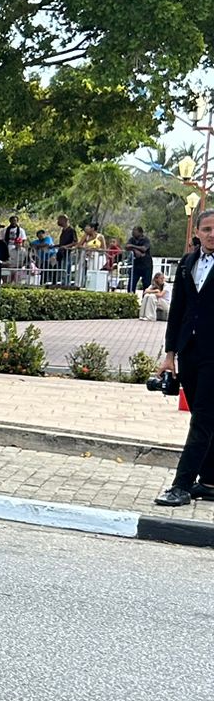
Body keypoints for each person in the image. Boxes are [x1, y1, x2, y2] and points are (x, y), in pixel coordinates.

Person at [155, 209, 214, 508]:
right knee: (204, 417)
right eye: (207, 229)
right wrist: (170, 354)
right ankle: (209, 480)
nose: (212, 234)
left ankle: (181, 485)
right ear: (198, 232)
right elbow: (177, 310)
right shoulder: (187, 263)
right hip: (189, 351)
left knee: (203, 418)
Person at [126, 226, 153, 293]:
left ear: (140, 232)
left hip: (146, 265)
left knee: (146, 284)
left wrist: (132, 246)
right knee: (131, 284)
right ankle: (131, 299)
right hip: (136, 265)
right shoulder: (132, 239)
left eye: (135, 231)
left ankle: (145, 300)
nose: (133, 232)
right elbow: (127, 246)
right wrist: (135, 250)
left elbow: (144, 248)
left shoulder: (146, 240)